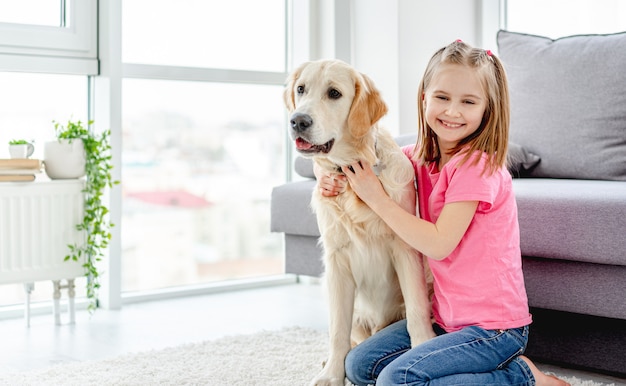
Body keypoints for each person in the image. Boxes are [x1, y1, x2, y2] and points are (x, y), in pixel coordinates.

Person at [314, 40, 569, 386]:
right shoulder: (421, 157)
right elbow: (377, 155)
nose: (452, 112)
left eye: (468, 102)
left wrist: (376, 198)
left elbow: (438, 245)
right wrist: (326, 174)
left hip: (494, 329)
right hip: (445, 320)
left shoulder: (477, 167)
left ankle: (523, 377)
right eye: (442, 98)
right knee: (358, 366)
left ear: (487, 110)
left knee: (398, 380)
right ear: (424, 99)